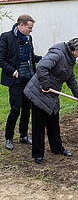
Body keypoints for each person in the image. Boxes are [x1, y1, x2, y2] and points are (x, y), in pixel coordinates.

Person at [24, 38, 78, 164]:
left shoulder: (70, 59)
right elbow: (41, 67)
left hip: (52, 94)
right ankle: (38, 154)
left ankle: (57, 148)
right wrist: (46, 85)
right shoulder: (58, 53)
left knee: (53, 123)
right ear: (74, 50)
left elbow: (71, 78)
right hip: (39, 92)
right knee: (39, 125)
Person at [0, 14, 42, 150]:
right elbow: (1, 59)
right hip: (15, 80)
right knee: (15, 109)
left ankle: (23, 135)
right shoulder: (6, 37)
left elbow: (31, 56)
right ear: (21, 25)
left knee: (27, 109)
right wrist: (13, 71)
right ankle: (9, 138)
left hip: (29, 79)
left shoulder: (29, 38)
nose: (31, 30)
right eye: (29, 28)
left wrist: (45, 58)